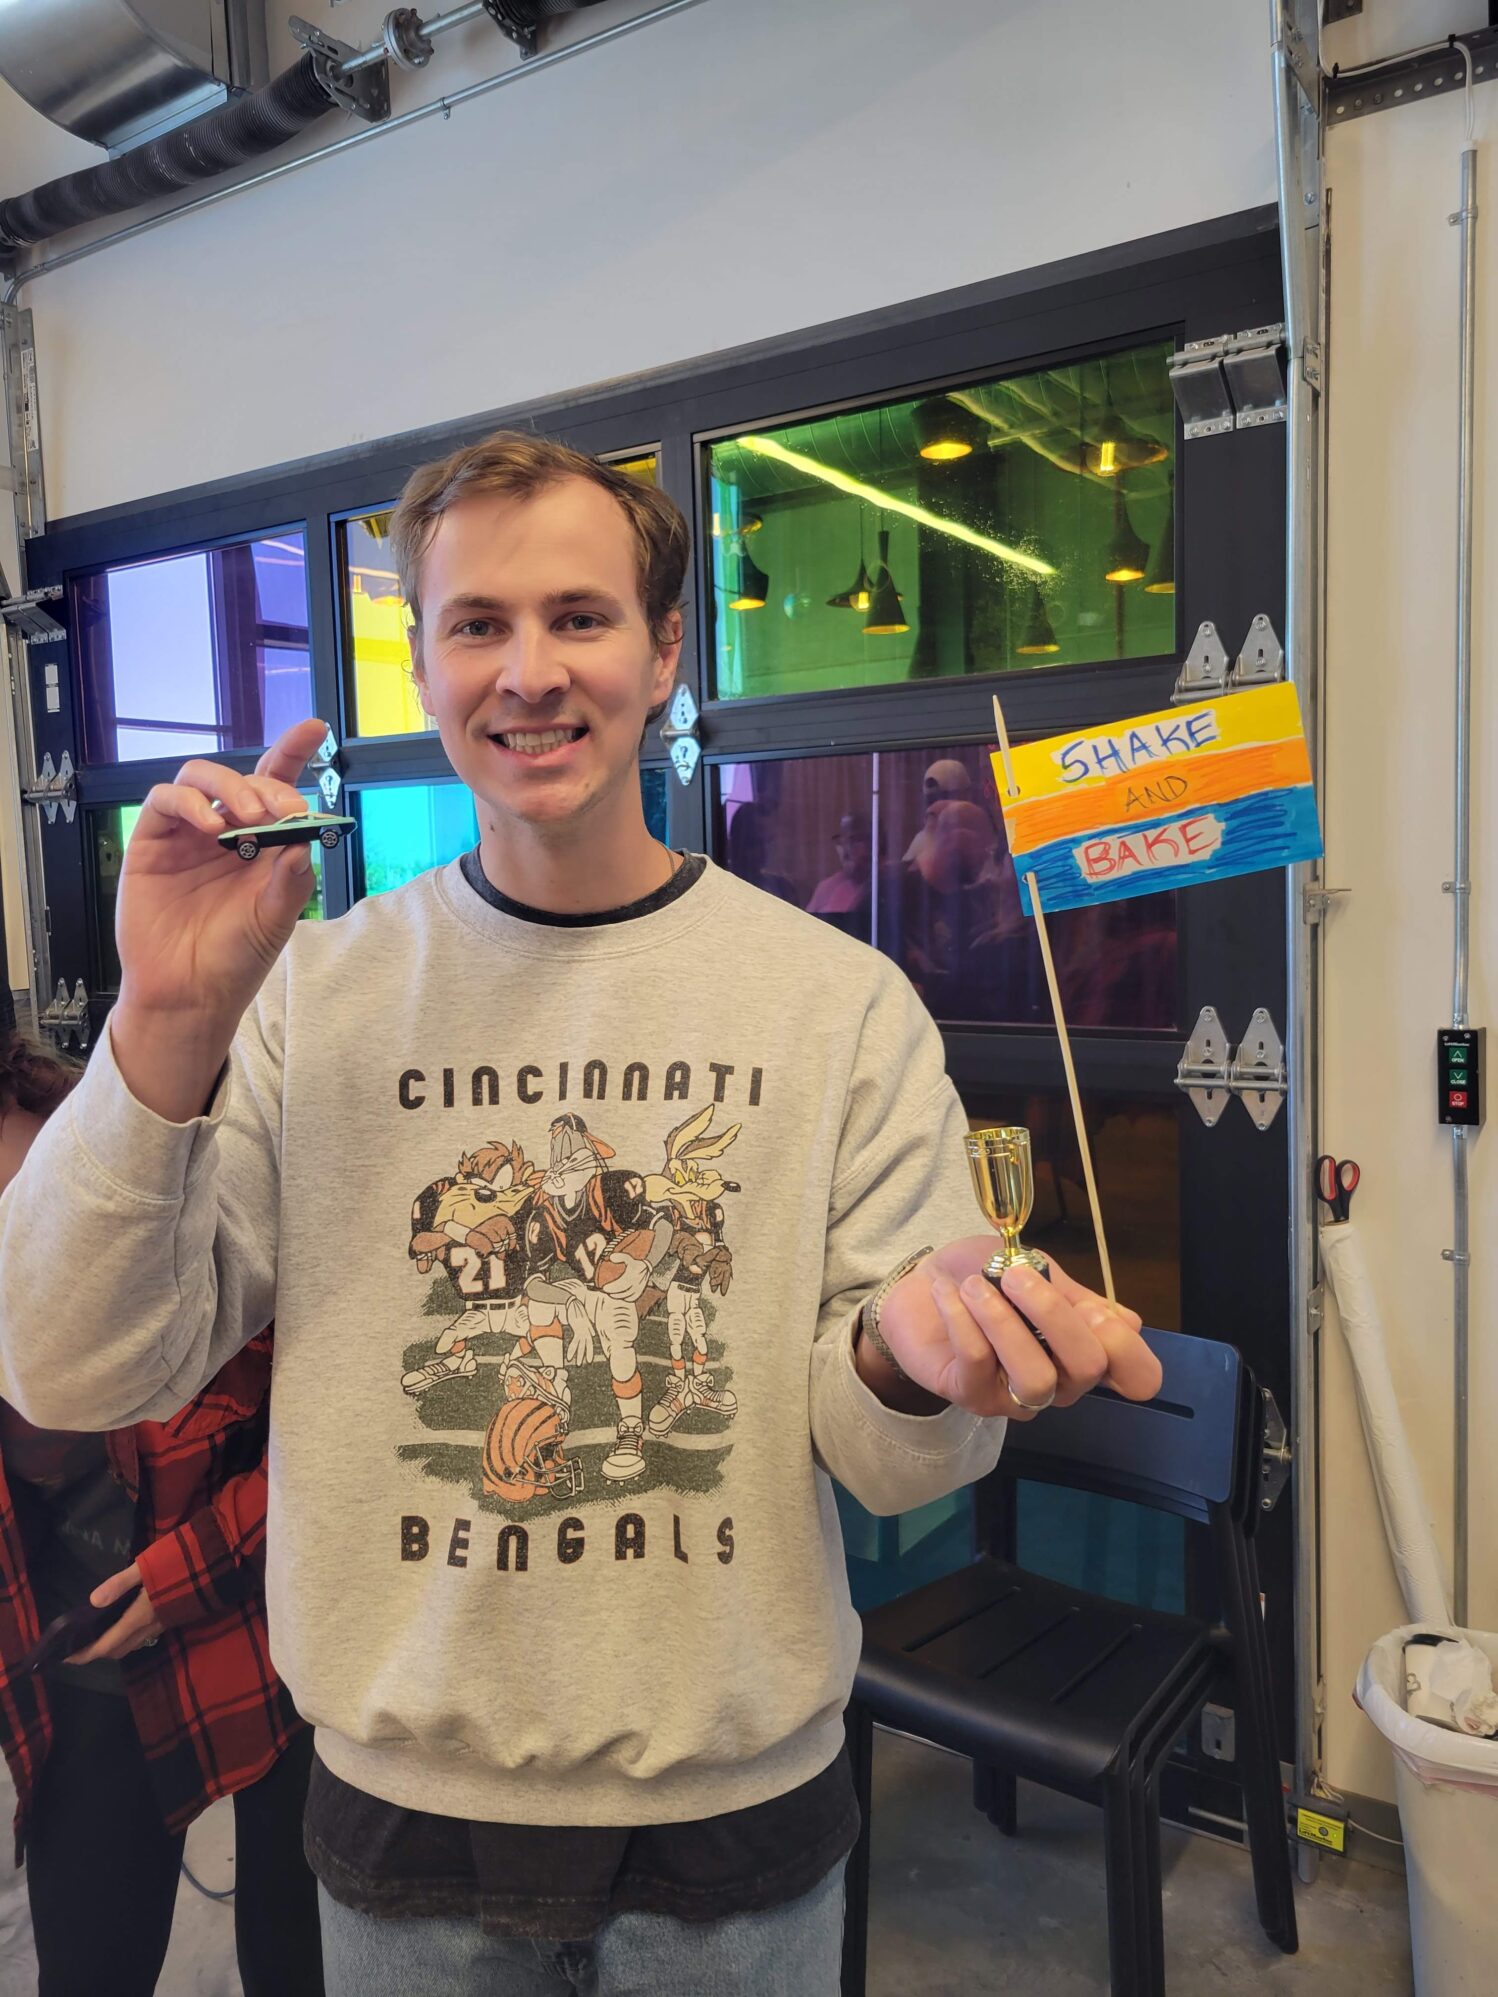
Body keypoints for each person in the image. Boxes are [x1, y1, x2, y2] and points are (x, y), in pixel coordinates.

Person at [0, 432, 1160, 1996]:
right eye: (477, 623)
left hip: (735, 1824)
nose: (527, 671)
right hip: (402, 1819)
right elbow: (71, 1370)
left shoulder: (834, 1003)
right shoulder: (314, 1000)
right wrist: (160, 1024)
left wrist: (903, 1361)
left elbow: (892, 1452)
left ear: (666, 649)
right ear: (422, 659)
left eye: (580, 616)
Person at [0, 1023, 323, 1997]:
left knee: (297, 1953)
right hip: (75, 1672)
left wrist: (182, 1577)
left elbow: (322, 1449)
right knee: (91, 1960)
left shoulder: (177, 1195)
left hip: (254, 1650)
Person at [806, 812, 875, 940]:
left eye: (854, 839)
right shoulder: (826, 887)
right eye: (840, 840)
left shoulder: (886, 888)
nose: (845, 848)